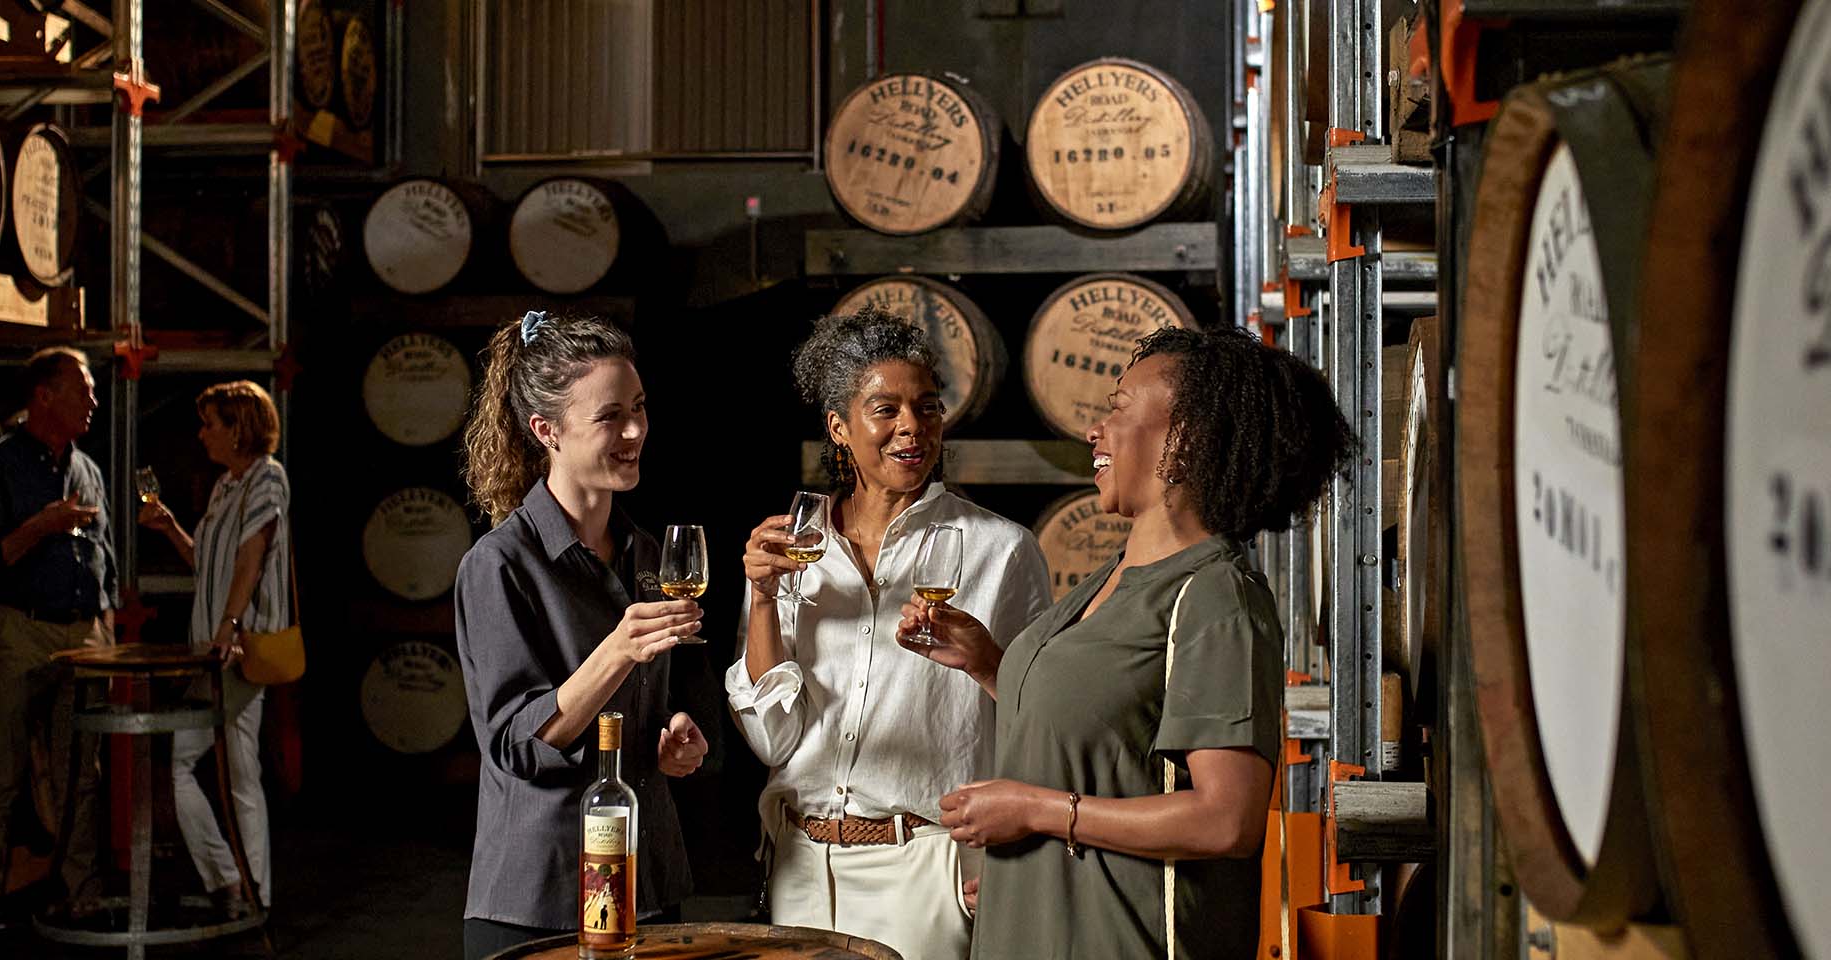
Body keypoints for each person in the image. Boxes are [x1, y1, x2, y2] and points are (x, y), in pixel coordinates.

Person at [898, 326, 1355, 960]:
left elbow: (1227, 821)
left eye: (1118, 409)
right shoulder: (1112, 576)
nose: (1096, 431)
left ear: (1184, 441)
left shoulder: (1216, 596)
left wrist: (1035, 811)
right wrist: (988, 665)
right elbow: (1109, 729)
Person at [726, 311, 1050, 960]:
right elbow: (772, 739)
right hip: (799, 865)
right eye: (887, 408)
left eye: (927, 407)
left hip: (927, 866)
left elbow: (1039, 719)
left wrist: (1012, 863)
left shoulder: (1001, 550)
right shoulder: (792, 545)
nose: (913, 427)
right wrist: (762, 598)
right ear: (839, 427)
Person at [452, 313, 710, 959]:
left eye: (640, 408)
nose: (634, 432)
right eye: (609, 417)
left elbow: (644, 703)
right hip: (544, 898)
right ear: (548, 431)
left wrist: (674, 733)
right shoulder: (499, 565)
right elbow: (515, 743)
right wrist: (618, 650)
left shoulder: (645, 552)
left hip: (647, 883)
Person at [0, 346, 117, 949]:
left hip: (83, 632)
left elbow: (105, 553)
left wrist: (106, 618)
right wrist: (41, 526)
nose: (94, 401)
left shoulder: (88, 469)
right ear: (43, 396)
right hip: (19, 630)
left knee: (83, 775)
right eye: (83, 390)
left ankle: (82, 895)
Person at [138, 380, 289, 920]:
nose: (202, 434)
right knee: (197, 765)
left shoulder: (267, 479)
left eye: (211, 424)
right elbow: (210, 562)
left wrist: (228, 625)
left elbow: (251, 556)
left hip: (237, 648)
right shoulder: (227, 485)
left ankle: (249, 890)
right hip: (212, 648)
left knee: (233, 768)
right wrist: (170, 527)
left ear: (238, 428)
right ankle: (235, 882)